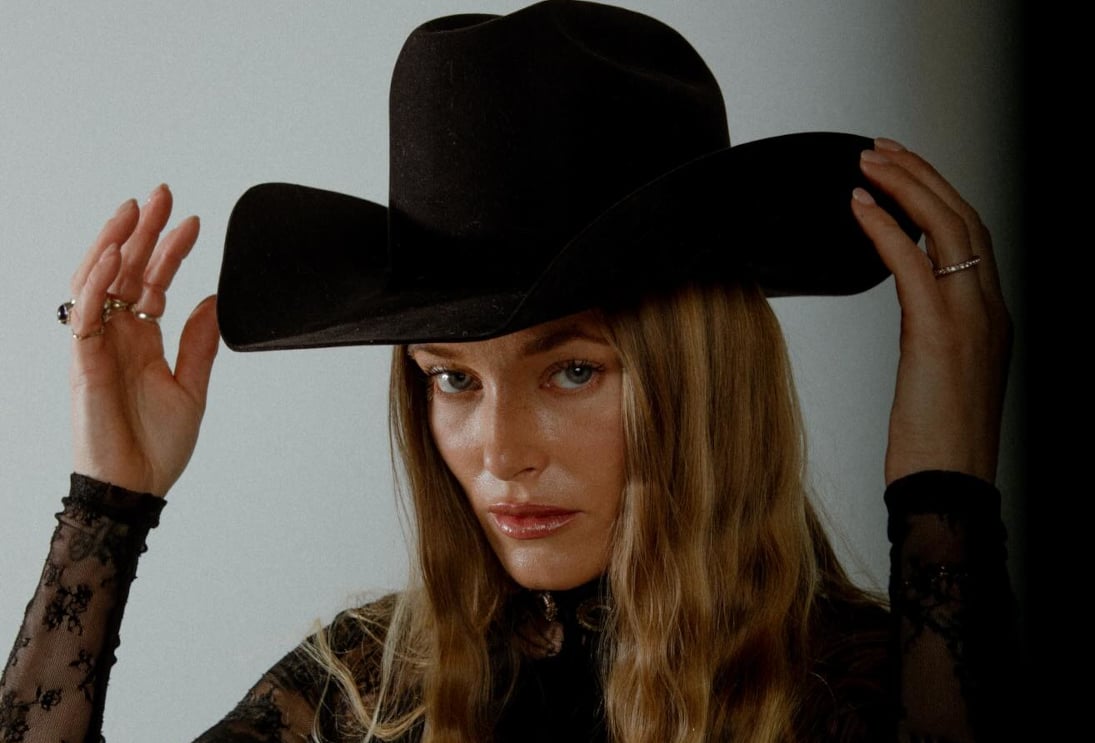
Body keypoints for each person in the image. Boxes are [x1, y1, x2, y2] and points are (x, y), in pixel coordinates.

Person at [0, 1, 1017, 741]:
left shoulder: (860, 685)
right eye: (454, 379)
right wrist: (109, 501)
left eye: (572, 370)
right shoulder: (369, 687)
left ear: (705, 382)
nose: (500, 452)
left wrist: (944, 490)